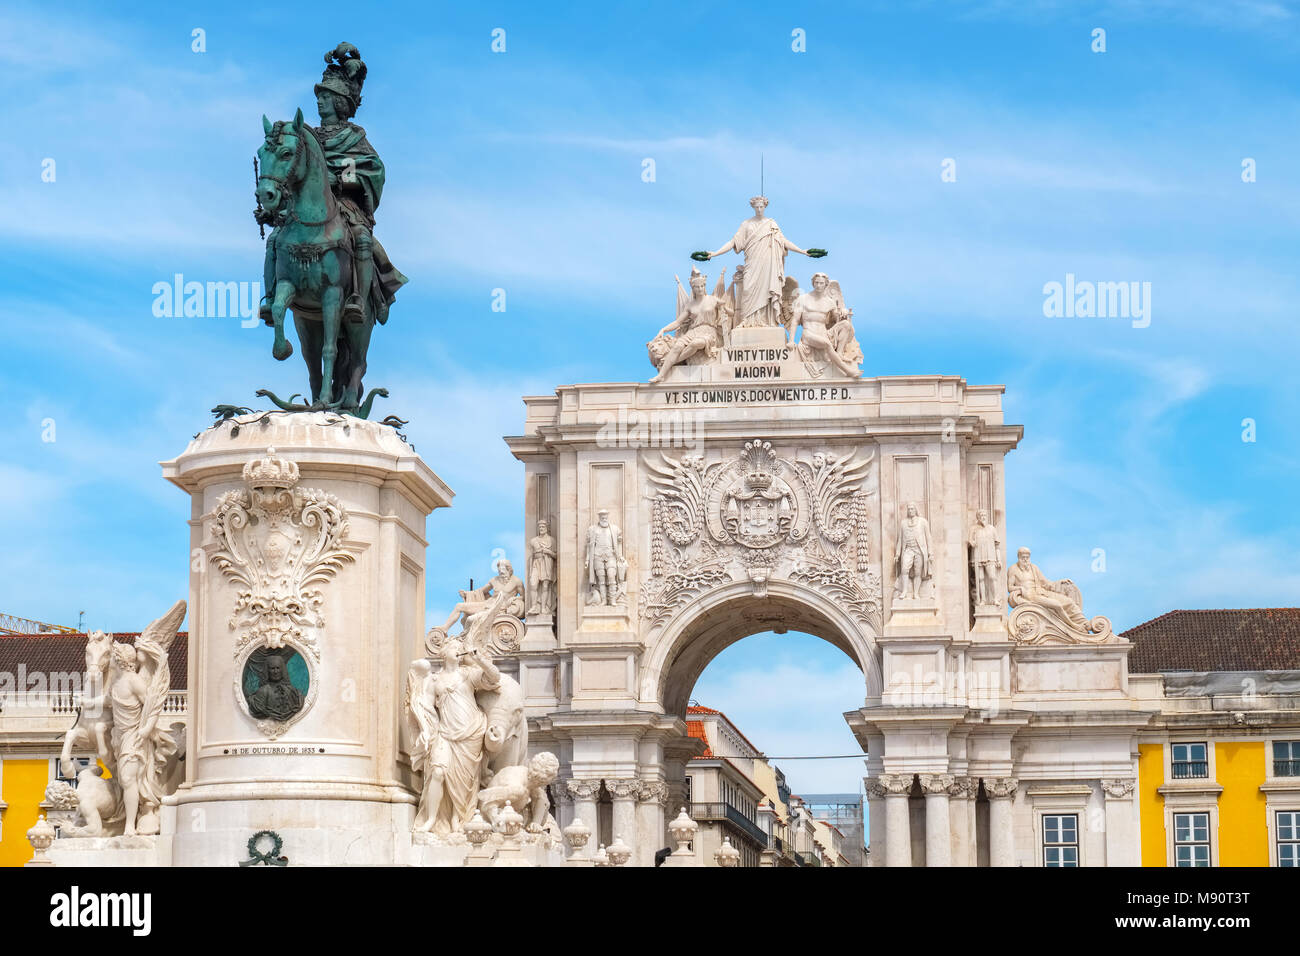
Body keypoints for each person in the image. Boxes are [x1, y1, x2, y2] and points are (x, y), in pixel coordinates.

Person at [258, 43, 406, 326]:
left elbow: (374, 172)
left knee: (362, 238)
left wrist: (339, 180)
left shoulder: (353, 137)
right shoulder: (305, 137)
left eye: (326, 96)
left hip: (345, 205)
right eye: (320, 96)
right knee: (276, 239)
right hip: (305, 207)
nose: (320, 101)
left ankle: (359, 299)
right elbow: (290, 174)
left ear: (340, 102)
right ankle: (270, 297)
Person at [700, 196, 820, 328]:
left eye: (761, 207)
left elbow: (783, 241)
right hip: (752, 262)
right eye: (756, 207)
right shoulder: (746, 224)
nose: (759, 209)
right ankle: (747, 321)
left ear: (765, 207)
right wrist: (715, 253)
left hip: (768, 264)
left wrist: (802, 251)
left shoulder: (771, 224)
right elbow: (733, 242)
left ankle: (766, 321)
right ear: (753, 207)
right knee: (748, 289)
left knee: (767, 289)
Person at [649, 268, 729, 383]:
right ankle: (661, 375)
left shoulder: (713, 300)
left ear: (704, 286)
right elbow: (677, 322)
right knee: (677, 346)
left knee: (697, 343)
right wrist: (664, 329)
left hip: (708, 332)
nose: (700, 289)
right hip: (693, 331)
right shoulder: (690, 305)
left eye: (702, 286)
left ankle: (671, 361)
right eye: (697, 287)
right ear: (693, 289)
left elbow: (730, 312)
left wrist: (725, 308)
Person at [792, 273, 862, 377]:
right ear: (813, 283)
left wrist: (843, 310)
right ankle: (847, 370)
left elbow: (837, 319)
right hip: (808, 334)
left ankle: (839, 354)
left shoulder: (830, 302)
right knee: (826, 343)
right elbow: (795, 320)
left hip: (824, 334)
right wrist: (791, 341)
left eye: (821, 283)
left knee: (846, 325)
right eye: (816, 283)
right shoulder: (803, 299)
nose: (818, 285)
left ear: (826, 285)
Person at [1006, 548, 1089, 630]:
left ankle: (1083, 623)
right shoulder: (1013, 569)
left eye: (1027, 557)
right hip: (1030, 596)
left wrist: (1061, 581)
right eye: (1023, 557)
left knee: (1068, 601)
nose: (1025, 560)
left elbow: (1046, 583)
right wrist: (1020, 588)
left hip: (1041, 592)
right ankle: (1073, 626)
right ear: (1018, 557)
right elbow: (1010, 587)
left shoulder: (1033, 567)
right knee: (1057, 605)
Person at [247, 653, 304, 721]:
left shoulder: (292, 691)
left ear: (282, 670)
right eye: (272, 668)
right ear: (267, 670)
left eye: (278, 668)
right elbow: (258, 709)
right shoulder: (263, 691)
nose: (275, 671)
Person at [585, 510, 625, 606]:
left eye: (605, 517)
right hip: (597, 556)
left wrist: (620, 556)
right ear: (599, 517)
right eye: (602, 517)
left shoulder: (614, 529)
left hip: (610, 555)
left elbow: (619, 544)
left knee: (611, 577)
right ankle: (604, 600)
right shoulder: (592, 529)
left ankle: (613, 600)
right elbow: (589, 546)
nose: (604, 518)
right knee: (601, 581)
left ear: (607, 517)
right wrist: (587, 559)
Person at [894, 502, 933, 600]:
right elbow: (900, 540)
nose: (910, 511)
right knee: (904, 569)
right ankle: (904, 591)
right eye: (909, 509)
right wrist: (897, 554)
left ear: (916, 510)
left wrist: (930, 553)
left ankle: (916, 593)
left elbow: (928, 538)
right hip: (908, 550)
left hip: (919, 550)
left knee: (918, 572)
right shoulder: (903, 523)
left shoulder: (923, 522)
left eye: (912, 509)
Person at [969, 510, 1002, 606]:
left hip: (990, 556)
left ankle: (995, 598)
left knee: (992, 577)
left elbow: (997, 545)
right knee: (980, 578)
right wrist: (972, 542)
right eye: (981, 515)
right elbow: (970, 540)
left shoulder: (991, 528)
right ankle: (983, 599)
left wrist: (999, 559)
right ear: (978, 517)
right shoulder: (974, 529)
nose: (983, 517)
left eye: (984, 515)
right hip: (978, 556)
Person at [527, 520, 557, 615]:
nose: (541, 529)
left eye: (543, 527)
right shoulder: (533, 541)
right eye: (539, 527)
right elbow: (531, 555)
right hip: (536, 563)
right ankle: (534, 606)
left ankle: (543, 607)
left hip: (547, 562)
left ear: (546, 528)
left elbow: (556, 555)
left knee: (545, 585)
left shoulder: (552, 540)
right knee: (533, 584)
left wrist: (548, 552)